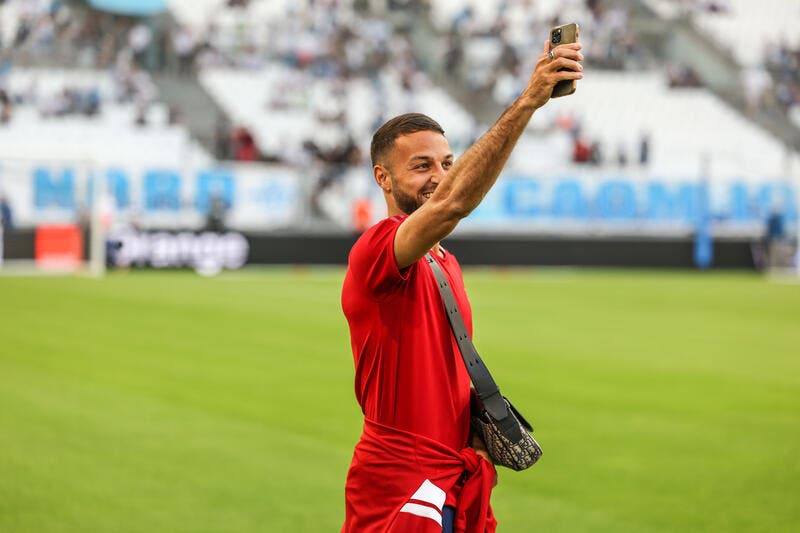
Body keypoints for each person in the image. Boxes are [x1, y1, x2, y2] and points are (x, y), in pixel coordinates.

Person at [341, 38, 583, 533]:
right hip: (402, 483)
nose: (439, 176)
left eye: (447, 163)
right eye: (422, 165)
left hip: (455, 474)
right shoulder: (377, 248)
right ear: (382, 178)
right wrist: (529, 100)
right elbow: (450, 205)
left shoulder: (445, 260)